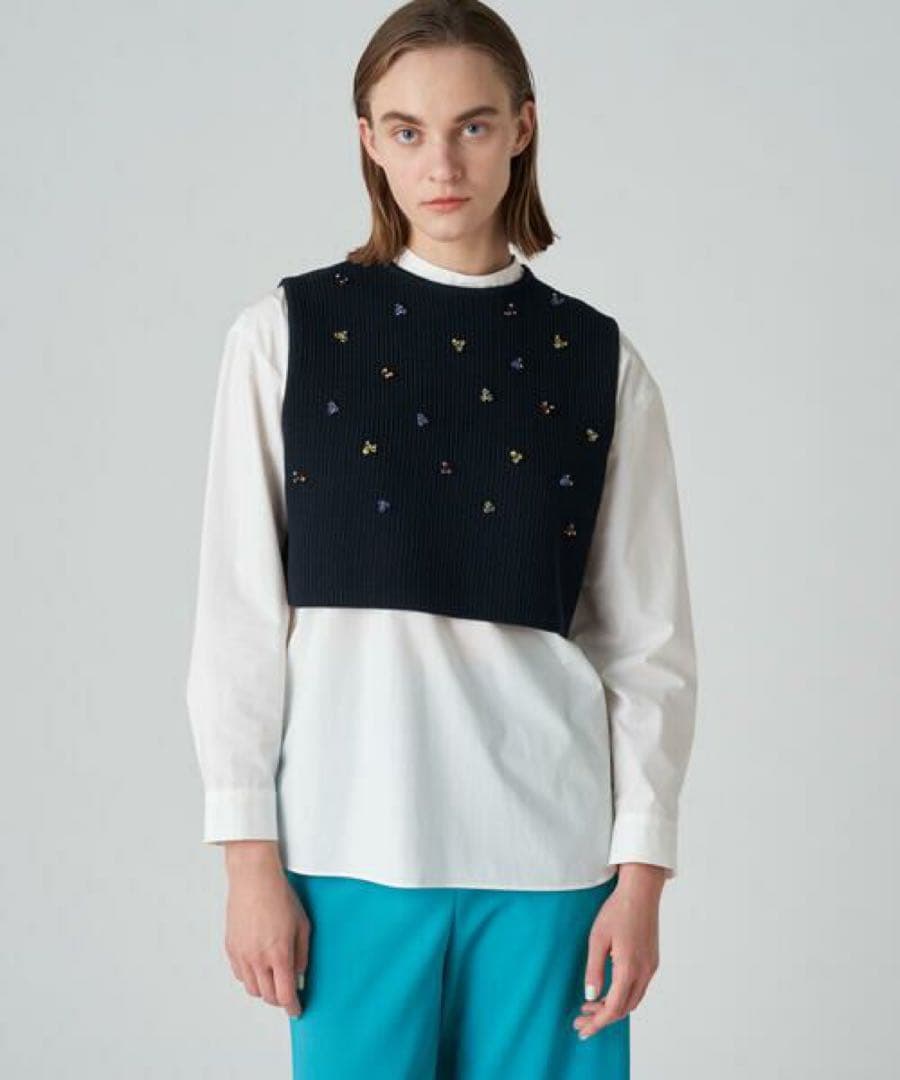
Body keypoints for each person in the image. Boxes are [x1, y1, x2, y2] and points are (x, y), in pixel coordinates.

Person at [186, 1, 698, 1076]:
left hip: (552, 868)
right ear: (369, 141)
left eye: (473, 125)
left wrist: (641, 876)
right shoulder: (284, 338)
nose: (443, 163)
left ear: (522, 128)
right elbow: (239, 617)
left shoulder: (600, 362)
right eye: (408, 130)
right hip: (347, 848)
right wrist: (247, 858)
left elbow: (645, 644)